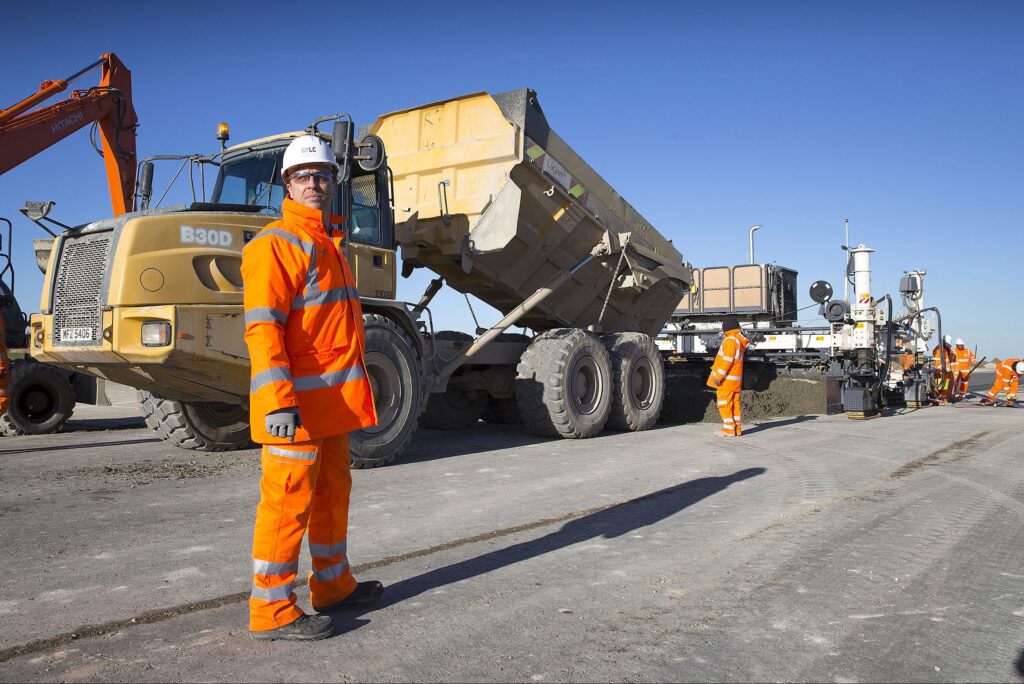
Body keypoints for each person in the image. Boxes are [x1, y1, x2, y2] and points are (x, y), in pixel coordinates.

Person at [241, 134, 382, 641]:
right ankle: (272, 609)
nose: (315, 183)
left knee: (330, 495)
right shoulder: (276, 245)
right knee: (286, 502)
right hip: (295, 408)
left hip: (331, 407)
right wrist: (279, 401)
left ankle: (332, 586)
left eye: (323, 175)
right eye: (304, 176)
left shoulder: (330, 244)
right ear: (287, 184)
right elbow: (262, 328)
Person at [707, 315, 748, 436]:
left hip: (726, 381)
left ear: (725, 329)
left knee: (724, 404)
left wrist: (718, 377)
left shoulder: (729, 341)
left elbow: (726, 361)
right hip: (735, 381)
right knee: (734, 404)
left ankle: (729, 429)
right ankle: (737, 429)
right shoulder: (737, 340)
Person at [932, 336, 956, 406]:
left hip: (945, 370)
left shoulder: (944, 349)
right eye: (948, 344)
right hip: (940, 370)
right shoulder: (939, 349)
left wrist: (947, 368)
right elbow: (937, 361)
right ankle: (940, 398)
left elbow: (946, 360)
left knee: (946, 383)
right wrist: (942, 368)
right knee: (941, 384)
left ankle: (944, 397)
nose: (949, 345)